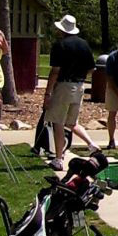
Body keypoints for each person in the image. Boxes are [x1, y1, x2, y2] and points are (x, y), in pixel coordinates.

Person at [43, 14, 100, 171]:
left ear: (62, 29)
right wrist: (80, 76)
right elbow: (92, 69)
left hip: (64, 85)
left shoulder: (59, 45)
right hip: (79, 85)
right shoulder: (84, 45)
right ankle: (91, 144)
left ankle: (58, 159)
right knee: (71, 122)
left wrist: (47, 94)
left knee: (58, 123)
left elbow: (55, 71)